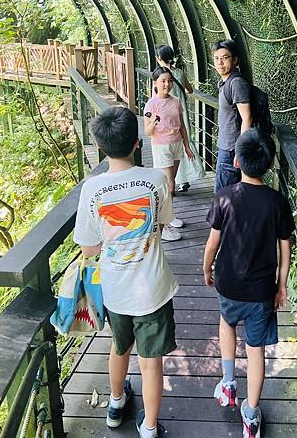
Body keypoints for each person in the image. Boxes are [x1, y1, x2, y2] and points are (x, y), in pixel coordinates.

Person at [73, 106, 178, 438]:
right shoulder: (156, 179)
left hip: (116, 292)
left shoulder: (92, 189)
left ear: (101, 147)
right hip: (153, 289)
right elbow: (161, 224)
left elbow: (89, 250)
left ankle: (116, 405)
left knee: (119, 348)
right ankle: (149, 428)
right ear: (137, 142)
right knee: (151, 363)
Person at [203, 128, 294, 438]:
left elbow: (212, 243)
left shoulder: (224, 197)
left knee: (226, 324)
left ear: (237, 162)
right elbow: (285, 246)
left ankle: (228, 383)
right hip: (261, 292)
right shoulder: (276, 202)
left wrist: (206, 268)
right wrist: (281, 285)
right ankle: (251, 416)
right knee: (256, 351)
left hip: (229, 284)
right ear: (268, 166)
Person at [144, 66, 194, 241]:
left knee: (170, 186)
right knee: (170, 185)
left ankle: (169, 217)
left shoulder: (175, 101)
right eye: (163, 81)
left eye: (169, 81)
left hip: (176, 145)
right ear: (155, 83)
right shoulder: (151, 104)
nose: (167, 84)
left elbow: (181, 127)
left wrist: (187, 147)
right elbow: (148, 132)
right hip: (161, 146)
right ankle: (162, 226)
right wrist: (154, 122)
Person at [155, 45, 204, 192]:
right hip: (181, 114)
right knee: (183, 144)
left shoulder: (159, 76)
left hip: (166, 116)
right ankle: (184, 180)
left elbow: (155, 97)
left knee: (169, 146)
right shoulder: (180, 73)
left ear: (159, 59)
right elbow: (189, 90)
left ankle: (172, 183)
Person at [212, 39, 252, 192]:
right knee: (228, 195)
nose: (220, 62)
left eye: (225, 57)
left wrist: (239, 150)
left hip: (231, 149)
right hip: (226, 146)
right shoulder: (226, 82)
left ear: (235, 59)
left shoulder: (236, 83)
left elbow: (247, 118)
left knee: (223, 196)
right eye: (216, 58)